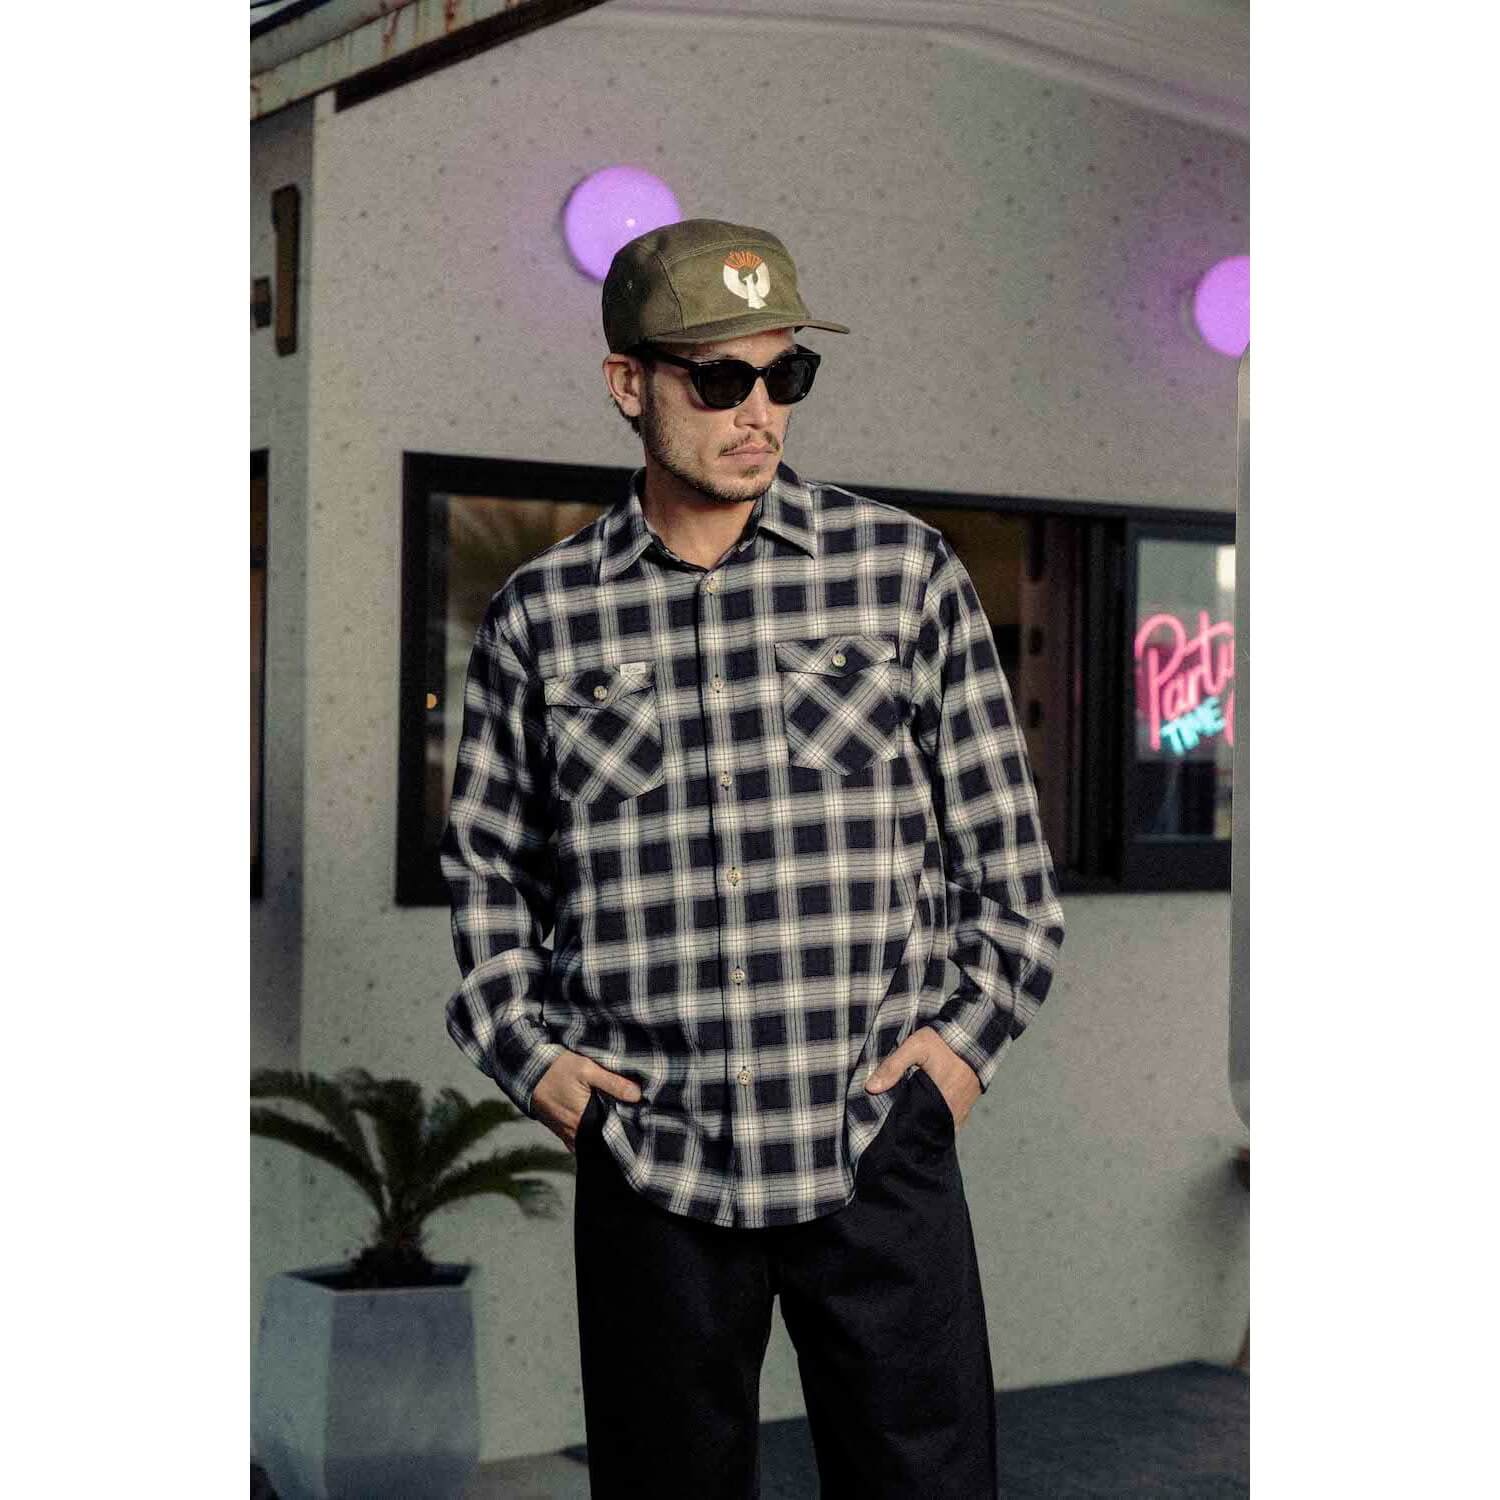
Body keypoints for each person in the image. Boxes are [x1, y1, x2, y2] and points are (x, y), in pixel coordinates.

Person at [440, 218, 1065, 1498]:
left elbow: (1010, 873)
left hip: (874, 1140)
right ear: (629, 385)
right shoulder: (543, 614)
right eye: (720, 378)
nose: (759, 411)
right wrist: (531, 1056)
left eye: (787, 375)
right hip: (652, 1152)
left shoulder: (901, 574)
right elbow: (490, 870)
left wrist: (952, 1064)